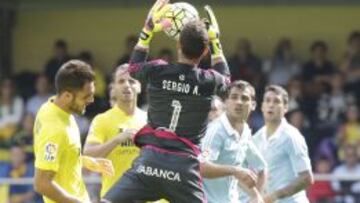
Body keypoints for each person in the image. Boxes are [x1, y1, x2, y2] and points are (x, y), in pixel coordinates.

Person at [102, 1, 257, 202]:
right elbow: (226, 82)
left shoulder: (158, 70)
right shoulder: (208, 80)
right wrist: (216, 42)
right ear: (204, 53)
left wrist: (147, 30)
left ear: (178, 44)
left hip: (149, 163)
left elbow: (133, 68)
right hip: (184, 170)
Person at [33, 60, 114, 203]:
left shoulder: (51, 105)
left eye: (92, 94)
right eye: (86, 96)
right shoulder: (55, 130)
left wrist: (86, 162)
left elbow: (60, 154)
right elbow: (42, 184)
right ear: (67, 96)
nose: (91, 100)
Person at [84, 64, 147, 198]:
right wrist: (116, 140)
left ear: (139, 86)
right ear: (113, 88)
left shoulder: (151, 120)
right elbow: (88, 156)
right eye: (121, 81)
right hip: (114, 197)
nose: (126, 85)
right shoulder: (102, 120)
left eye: (131, 81)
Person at [201, 80, 266, 203]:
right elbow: (202, 167)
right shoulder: (216, 131)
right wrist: (235, 171)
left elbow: (261, 169)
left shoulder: (245, 131)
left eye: (245, 98)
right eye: (234, 97)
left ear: (253, 105)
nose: (239, 102)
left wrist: (256, 196)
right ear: (226, 102)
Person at [253, 85, 313, 203]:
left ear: (285, 108)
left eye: (276, 101)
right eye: (267, 101)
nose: (271, 105)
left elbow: (307, 178)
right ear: (262, 106)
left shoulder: (292, 136)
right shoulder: (256, 138)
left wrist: (276, 195)